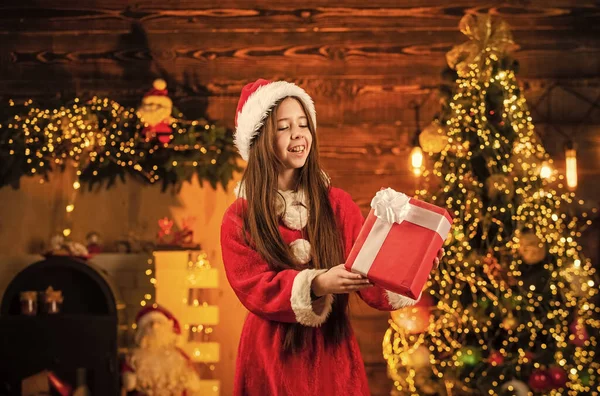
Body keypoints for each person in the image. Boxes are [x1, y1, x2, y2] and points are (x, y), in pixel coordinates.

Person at [220, 79, 444, 395]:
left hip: (332, 351)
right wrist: (317, 284)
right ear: (258, 140)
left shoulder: (336, 204)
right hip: (269, 356)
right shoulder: (239, 217)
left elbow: (372, 276)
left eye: (303, 124)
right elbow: (254, 287)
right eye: (283, 127)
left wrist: (414, 267)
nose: (298, 133)